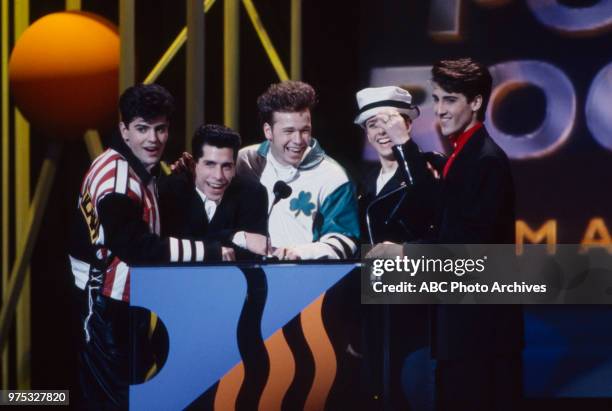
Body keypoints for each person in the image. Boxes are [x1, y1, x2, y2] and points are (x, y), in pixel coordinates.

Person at [368, 58, 523, 410]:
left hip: (481, 331)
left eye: (449, 100)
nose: (439, 110)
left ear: (476, 102)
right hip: (465, 327)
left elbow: (466, 247)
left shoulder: (485, 159)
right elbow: (443, 206)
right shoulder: (463, 154)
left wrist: (403, 252)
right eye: (436, 99)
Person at [68, 84, 220, 409]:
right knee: (114, 402)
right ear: (124, 129)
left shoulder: (133, 167)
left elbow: (140, 217)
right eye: (142, 129)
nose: (153, 139)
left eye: (160, 129)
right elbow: (136, 246)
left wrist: (178, 183)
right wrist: (210, 253)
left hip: (123, 305)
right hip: (106, 309)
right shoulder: (116, 179)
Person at [237, 80, 359, 260]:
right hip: (249, 277)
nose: (299, 140)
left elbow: (345, 239)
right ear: (268, 131)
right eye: (289, 131)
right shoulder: (246, 160)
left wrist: (300, 253)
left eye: (305, 130)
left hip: (308, 278)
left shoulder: (333, 175)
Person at [159, 124, 269, 260]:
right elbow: (170, 247)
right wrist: (238, 237)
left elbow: (251, 255)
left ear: (235, 166)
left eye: (227, 166)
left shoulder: (253, 193)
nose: (218, 176)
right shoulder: (169, 191)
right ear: (194, 165)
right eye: (210, 164)